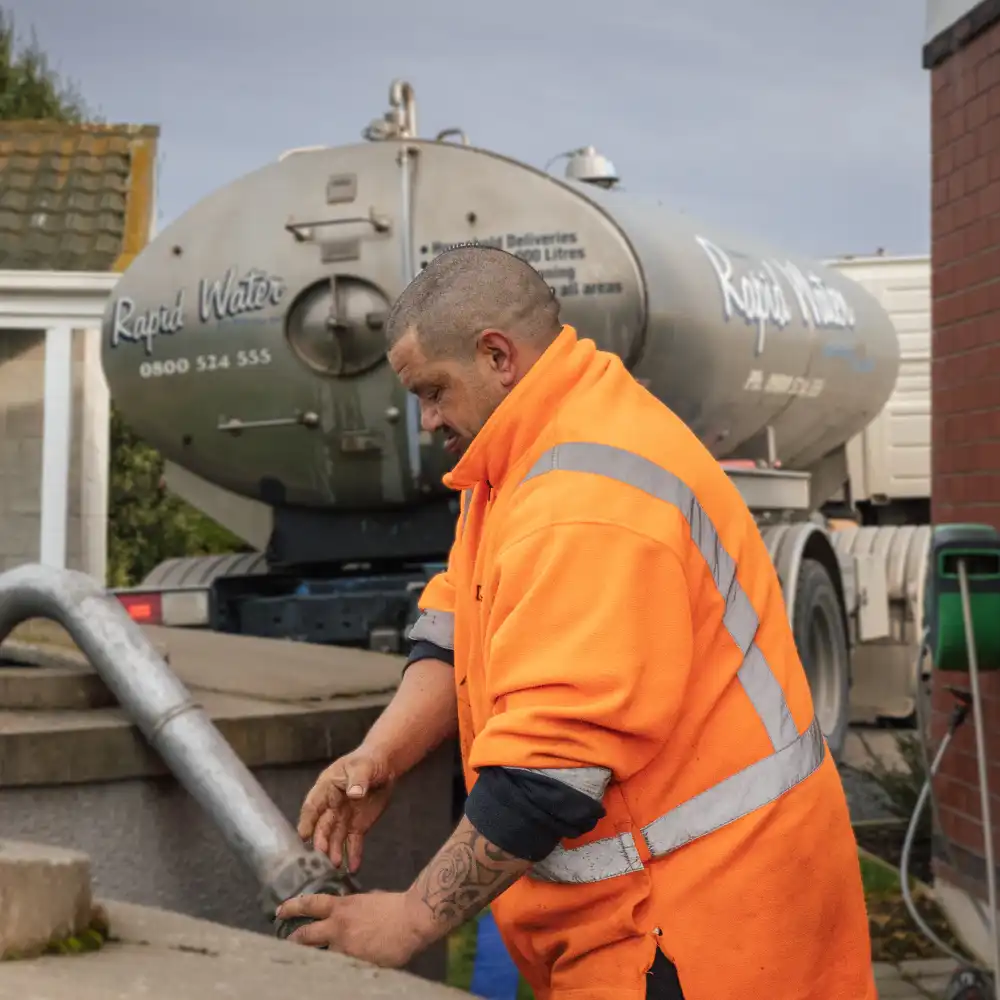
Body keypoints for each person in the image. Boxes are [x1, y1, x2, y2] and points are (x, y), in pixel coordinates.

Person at [276, 245, 876, 1000]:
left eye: (432, 391)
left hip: (697, 920)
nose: (426, 419)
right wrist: (381, 755)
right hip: (665, 900)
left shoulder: (586, 496)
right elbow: (457, 618)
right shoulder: (520, 451)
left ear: (497, 355)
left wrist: (405, 923)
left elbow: (547, 776)